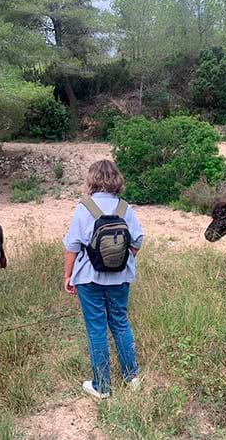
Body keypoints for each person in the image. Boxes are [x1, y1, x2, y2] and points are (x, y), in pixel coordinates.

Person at [63, 160, 144, 399]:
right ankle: (131, 377)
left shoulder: (84, 208)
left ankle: (102, 386)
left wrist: (68, 275)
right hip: (120, 278)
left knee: (96, 328)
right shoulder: (124, 208)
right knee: (120, 323)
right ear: (116, 179)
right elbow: (137, 240)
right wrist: (123, 260)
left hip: (89, 278)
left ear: (92, 179)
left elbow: (72, 245)